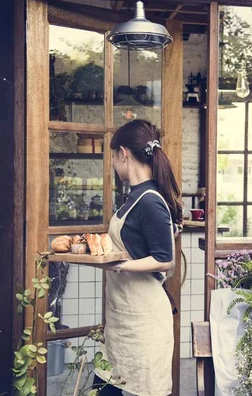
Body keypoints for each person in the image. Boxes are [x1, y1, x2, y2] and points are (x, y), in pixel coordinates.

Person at [92, 119, 183, 396]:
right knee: (105, 385)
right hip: (124, 319)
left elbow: (164, 259)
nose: (112, 164)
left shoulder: (150, 200)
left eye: (112, 157)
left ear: (123, 153)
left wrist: (118, 265)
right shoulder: (135, 196)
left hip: (144, 323)